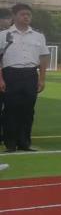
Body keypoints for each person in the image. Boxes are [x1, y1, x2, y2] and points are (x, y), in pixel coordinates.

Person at [1, 3, 50, 152]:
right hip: (10, 74)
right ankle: (10, 143)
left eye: (28, 15)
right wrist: (1, 79)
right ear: (14, 16)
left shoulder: (38, 36)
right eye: (22, 14)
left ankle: (24, 142)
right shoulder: (3, 35)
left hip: (30, 74)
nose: (26, 17)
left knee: (28, 110)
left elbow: (43, 58)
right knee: (10, 110)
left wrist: (42, 79)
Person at [0, 8, 12, 149]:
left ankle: (5, 133)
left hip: (8, 75)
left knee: (8, 106)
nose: (10, 22)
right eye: (8, 19)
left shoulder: (11, 35)